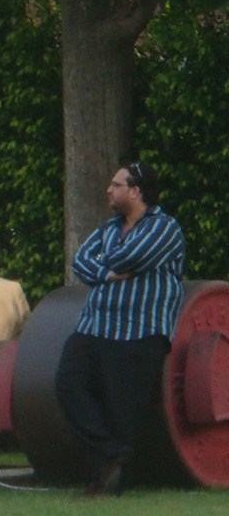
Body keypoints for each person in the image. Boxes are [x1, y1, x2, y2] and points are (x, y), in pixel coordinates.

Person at [54, 161, 185, 495]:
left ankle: (105, 479)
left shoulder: (164, 227)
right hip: (95, 326)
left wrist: (107, 264)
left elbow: (133, 258)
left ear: (135, 191)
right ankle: (113, 455)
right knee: (68, 385)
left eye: (116, 185)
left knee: (121, 409)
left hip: (138, 331)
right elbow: (81, 261)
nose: (108, 190)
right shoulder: (108, 227)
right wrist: (108, 274)